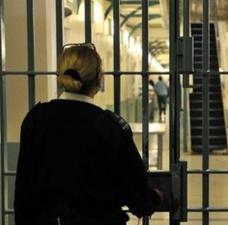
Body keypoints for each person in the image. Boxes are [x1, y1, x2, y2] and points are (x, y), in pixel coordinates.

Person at [14, 43, 162, 225]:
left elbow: (23, 191)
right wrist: (155, 197)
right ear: (99, 78)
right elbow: (138, 198)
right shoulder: (110, 127)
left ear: (61, 76)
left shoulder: (36, 119)